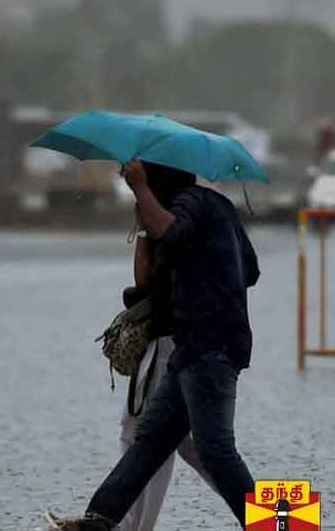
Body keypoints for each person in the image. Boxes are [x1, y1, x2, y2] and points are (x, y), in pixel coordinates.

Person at [50, 160, 260, 531]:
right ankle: (99, 521)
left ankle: (289, 524)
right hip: (193, 348)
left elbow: (173, 234)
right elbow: (249, 269)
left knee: (216, 450)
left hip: (211, 346)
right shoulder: (215, 207)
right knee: (149, 441)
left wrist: (141, 190)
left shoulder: (190, 204)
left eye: (146, 179)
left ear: (158, 180)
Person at [117, 212, 216, 531]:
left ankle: (135, 525)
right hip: (187, 340)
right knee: (195, 445)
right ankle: (283, 518)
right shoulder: (190, 212)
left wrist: (142, 232)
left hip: (169, 343)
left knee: (146, 434)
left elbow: (145, 279)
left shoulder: (162, 213)